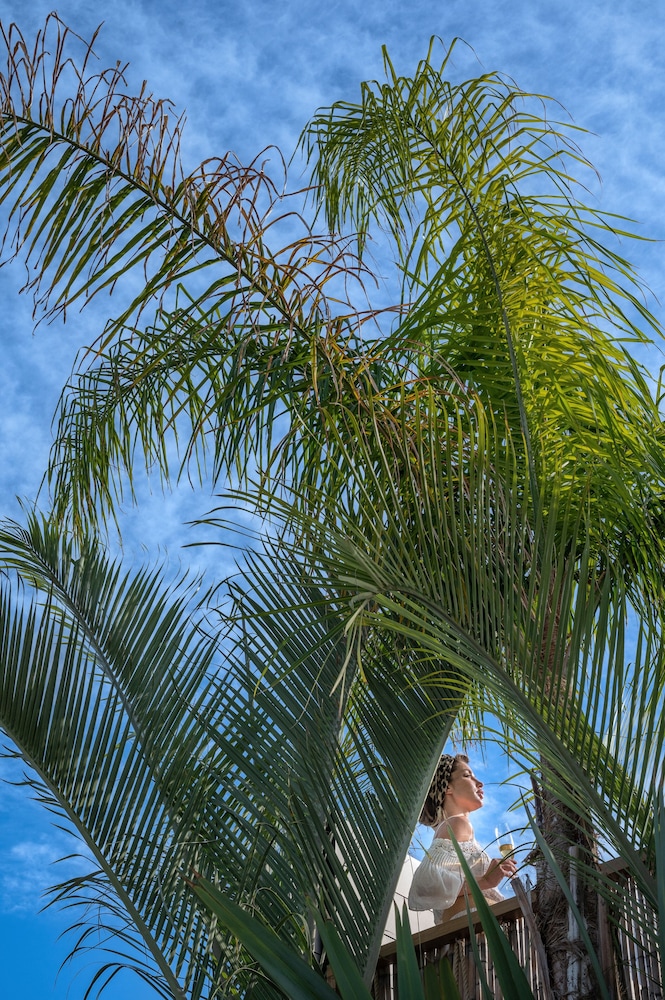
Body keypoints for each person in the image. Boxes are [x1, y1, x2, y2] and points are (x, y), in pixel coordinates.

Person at [408, 753, 517, 922]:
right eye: (467, 775)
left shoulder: (452, 829)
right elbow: (425, 885)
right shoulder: (459, 823)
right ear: (447, 787)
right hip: (474, 929)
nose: (479, 783)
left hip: (469, 930)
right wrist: (486, 880)